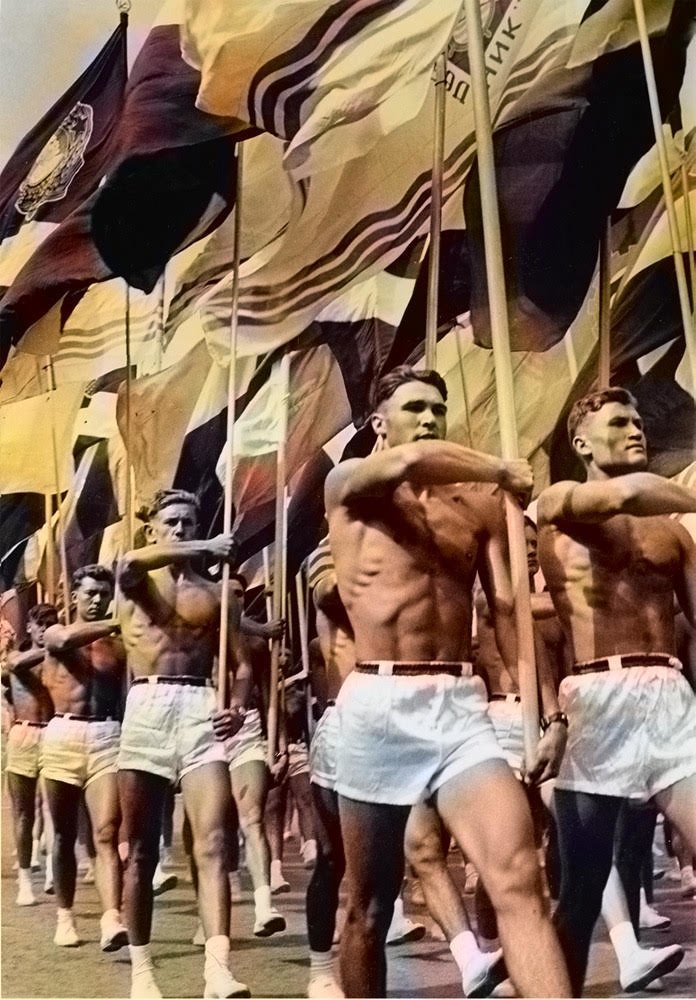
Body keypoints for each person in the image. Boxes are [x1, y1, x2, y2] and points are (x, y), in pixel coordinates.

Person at [325, 365, 571, 998]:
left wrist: (549, 714)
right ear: (379, 422)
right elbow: (410, 461)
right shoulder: (350, 486)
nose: (431, 418)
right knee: (368, 905)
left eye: (438, 407)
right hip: (377, 703)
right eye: (415, 407)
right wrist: (502, 468)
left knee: (519, 879)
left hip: (459, 707)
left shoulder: (478, 504)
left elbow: (508, 612)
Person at [537, 387, 696, 995]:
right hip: (597, 699)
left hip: (669, 696)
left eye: (638, 421)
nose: (636, 429)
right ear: (581, 443)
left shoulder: (673, 534)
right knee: (580, 891)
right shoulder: (560, 503)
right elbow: (623, 495)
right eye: (620, 422)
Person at [117, 490, 251, 999]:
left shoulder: (217, 592)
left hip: (199, 707)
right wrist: (206, 547)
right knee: (141, 853)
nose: (179, 529)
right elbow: (130, 563)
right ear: (151, 527)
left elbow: (242, 666)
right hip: (146, 709)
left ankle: (217, 971)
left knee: (214, 843)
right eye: (171, 522)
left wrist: (236, 707)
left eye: (189, 523)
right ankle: (142, 973)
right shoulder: (135, 579)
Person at [40, 566, 127, 953]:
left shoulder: (119, 645)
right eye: (90, 593)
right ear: (74, 596)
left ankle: (112, 918)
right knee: (63, 835)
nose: (96, 600)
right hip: (63, 734)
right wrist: (116, 621)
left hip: (106, 736)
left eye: (104, 594)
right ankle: (65, 915)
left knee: (106, 832)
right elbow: (63, 639)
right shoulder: (56, 633)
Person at [223, 571, 287, 939]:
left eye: (239, 594)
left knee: (253, 818)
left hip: (246, 728)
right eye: (228, 594)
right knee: (214, 827)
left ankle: (264, 906)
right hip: (207, 727)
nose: (234, 600)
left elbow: (268, 696)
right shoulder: (201, 629)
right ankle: (218, 896)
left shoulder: (258, 645)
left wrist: (278, 742)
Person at [3, 603, 57, 905]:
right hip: (23, 734)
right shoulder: (16, 655)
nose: (46, 629)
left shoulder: (61, 656)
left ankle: (52, 871)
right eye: (41, 624)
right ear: (30, 627)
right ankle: (25, 879)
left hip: (54, 732)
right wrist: (54, 646)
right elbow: (16, 665)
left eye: (51, 623)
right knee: (24, 813)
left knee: (53, 807)